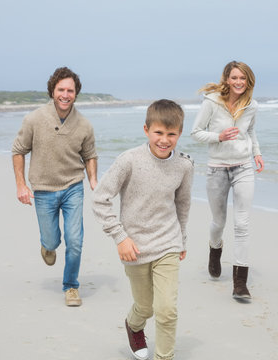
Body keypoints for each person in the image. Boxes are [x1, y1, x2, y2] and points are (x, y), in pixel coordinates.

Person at [93, 99, 193, 360]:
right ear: (146, 129)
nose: (164, 140)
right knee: (145, 307)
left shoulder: (184, 165)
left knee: (167, 309)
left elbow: (182, 204)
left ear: (179, 133)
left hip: (168, 244)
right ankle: (134, 326)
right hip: (134, 247)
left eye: (171, 134)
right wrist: (120, 237)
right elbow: (100, 198)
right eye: (158, 132)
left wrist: (181, 239)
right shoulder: (129, 160)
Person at [12, 66, 98, 307]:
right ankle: (48, 246)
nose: (65, 94)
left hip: (73, 187)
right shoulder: (34, 119)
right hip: (43, 189)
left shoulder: (84, 125)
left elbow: (90, 155)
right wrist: (21, 185)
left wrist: (93, 179)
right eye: (61, 89)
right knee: (51, 242)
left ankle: (71, 286)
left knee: (76, 240)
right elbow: (18, 151)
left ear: (76, 93)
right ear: (52, 91)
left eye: (70, 90)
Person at [191, 61, 264, 302]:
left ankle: (240, 283)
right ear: (227, 79)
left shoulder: (252, 105)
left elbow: (251, 132)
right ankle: (215, 249)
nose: (239, 82)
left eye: (243, 78)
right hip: (217, 169)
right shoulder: (212, 102)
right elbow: (195, 132)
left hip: (243, 167)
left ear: (248, 81)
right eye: (235, 78)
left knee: (242, 224)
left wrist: (257, 154)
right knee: (219, 222)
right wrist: (218, 136)